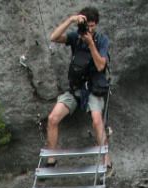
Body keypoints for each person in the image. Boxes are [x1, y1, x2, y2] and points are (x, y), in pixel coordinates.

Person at [47, 6, 111, 169]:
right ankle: (51, 160)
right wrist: (71, 20)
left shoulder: (101, 40)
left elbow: (100, 65)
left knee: (97, 121)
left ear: (96, 24)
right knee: (52, 118)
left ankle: (106, 161)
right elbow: (54, 37)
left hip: (94, 88)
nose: (89, 29)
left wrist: (90, 44)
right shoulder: (76, 37)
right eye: (86, 26)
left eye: (92, 26)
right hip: (76, 88)